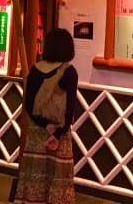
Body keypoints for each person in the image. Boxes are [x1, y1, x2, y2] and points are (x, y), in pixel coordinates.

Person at [12, 28, 79, 204]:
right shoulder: (69, 71)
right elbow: (70, 108)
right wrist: (57, 132)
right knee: (57, 177)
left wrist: (43, 125)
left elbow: (28, 104)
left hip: (36, 133)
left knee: (35, 174)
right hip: (59, 135)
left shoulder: (35, 70)